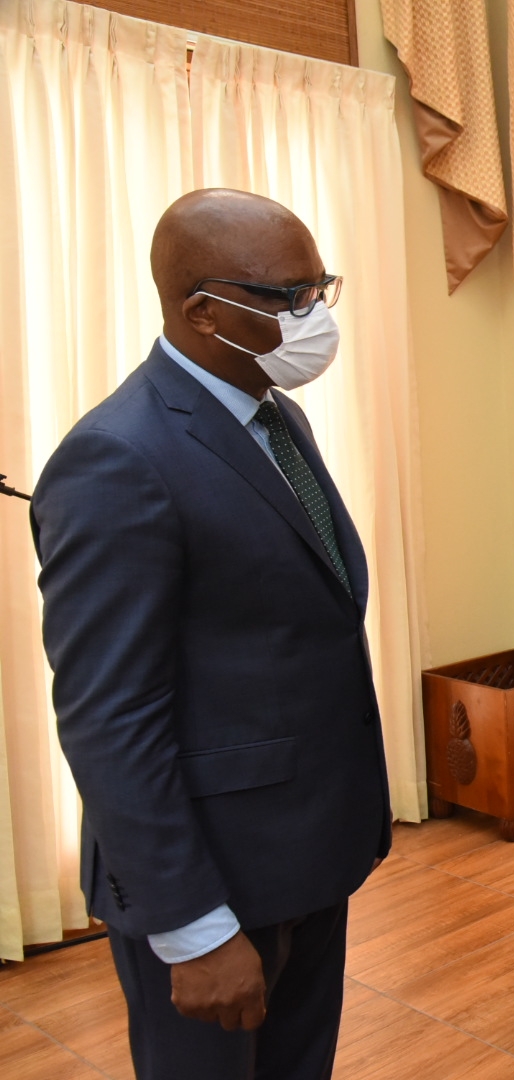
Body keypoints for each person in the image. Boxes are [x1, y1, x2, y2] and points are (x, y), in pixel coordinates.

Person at [31, 189, 391, 1080]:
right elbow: (108, 718)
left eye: (321, 289)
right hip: (212, 891)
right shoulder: (118, 457)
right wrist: (191, 929)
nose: (313, 317)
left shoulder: (275, 413)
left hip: (305, 857)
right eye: (287, 297)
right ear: (201, 311)